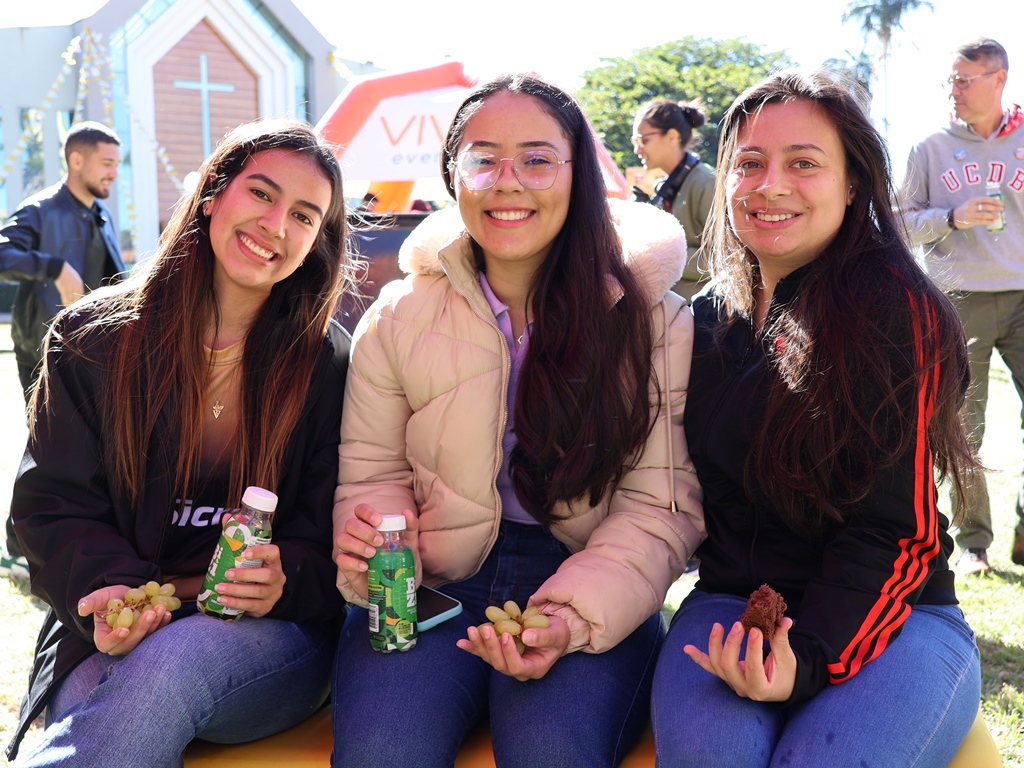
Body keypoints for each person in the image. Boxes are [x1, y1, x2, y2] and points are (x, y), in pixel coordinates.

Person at [331, 73, 704, 768]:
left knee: (550, 751)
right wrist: (378, 540)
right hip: (432, 580)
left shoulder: (655, 320)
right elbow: (372, 473)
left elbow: (660, 506)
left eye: (537, 159)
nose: (508, 182)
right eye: (483, 159)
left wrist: (570, 615)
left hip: (588, 571)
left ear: (578, 174)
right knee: (382, 750)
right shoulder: (399, 314)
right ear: (452, 174)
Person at [651, 69, 982, 767]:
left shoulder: (896, 309)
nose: (770, 185)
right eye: (749, 163)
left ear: (853, 183)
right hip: (733, 599)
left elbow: (895, 531)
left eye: (803, 163)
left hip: (897, 611)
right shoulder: (704, 316)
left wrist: (805, 657)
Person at [4, 119, 353, 768]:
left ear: (317, 242)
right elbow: (51, 505)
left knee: (169, 662)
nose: (276, 224)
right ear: (213, 193)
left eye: (304, 216)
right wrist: (111, 589)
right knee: (102, 707)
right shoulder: (92, 339)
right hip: (112, 626)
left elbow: (332, 525)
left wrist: (286, 578)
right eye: (262, 193)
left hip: (271, 637)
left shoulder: (326, 361)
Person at [901, 37, 1024, 574]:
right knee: (961, 425)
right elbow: (899, 222)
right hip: (957, 299)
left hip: (1023, 294)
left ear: (998, 80)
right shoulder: (929, 147)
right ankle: (973, 543)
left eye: (963, 80)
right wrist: (950, 218)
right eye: (950, 80)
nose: (953, 90)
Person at [0, 121, 125, 579]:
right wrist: (54, 267)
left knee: (89, 448)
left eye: (117, 163)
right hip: (42, 349)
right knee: (45, 447)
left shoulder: (101, 214)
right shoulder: (39, 209)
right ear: (76, 160)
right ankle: (17, 547)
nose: (114, 172)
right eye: (107, 162)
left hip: (93, 351)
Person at [632, 99, 716, 301]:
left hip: (702, 314)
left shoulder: (707, 183)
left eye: (643, 140)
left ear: (671, 136)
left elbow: (726, 258)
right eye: (635, 142)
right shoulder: (667, 184)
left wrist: (660, 255)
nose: (637, 150)